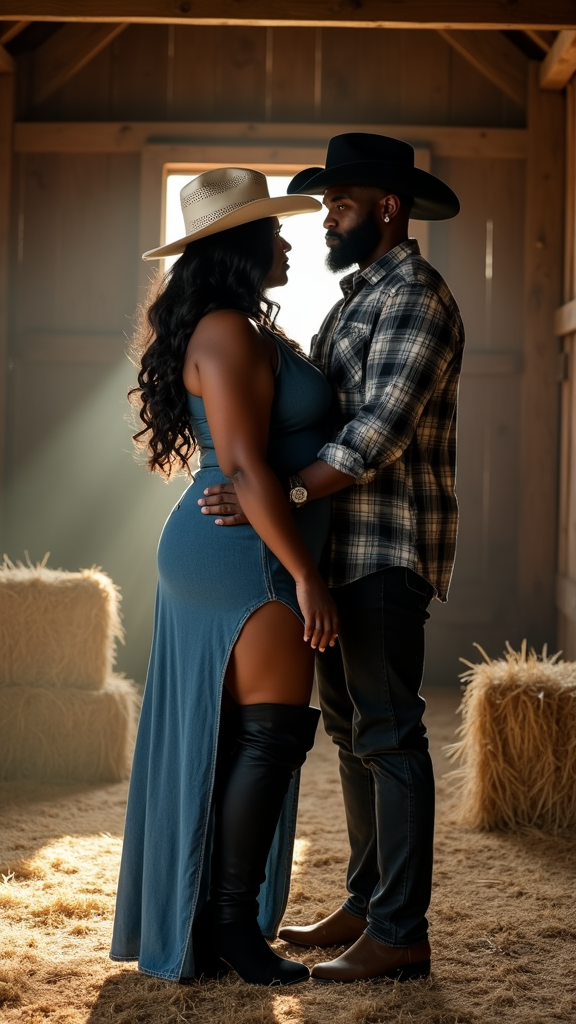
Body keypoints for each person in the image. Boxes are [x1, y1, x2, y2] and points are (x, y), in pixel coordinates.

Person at [198, 133, 464, 983]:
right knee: (351, 732)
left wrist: (284, 494)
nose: (325, 221)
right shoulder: (353, 301)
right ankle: (364, 901)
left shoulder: (416, 296)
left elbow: (376, 433)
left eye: (339, 204)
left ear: (389, 207)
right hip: (338, 552)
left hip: (385, 548)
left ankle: (400, 931)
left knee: (390, 734)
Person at [110, 167, 340, 987]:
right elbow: (243, 469)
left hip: (236, 542)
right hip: (245, 553)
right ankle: (230, 926)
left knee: (252, 739)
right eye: (272, 231)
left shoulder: (234, 326)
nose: (286, 241)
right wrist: (306, 574)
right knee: (269, 739)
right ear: (240, 246)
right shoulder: (228, 332)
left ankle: (219, 919)